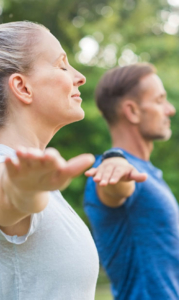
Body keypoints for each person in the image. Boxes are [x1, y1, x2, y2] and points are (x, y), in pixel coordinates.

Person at [0, 21, 103, 300]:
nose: (79, 77)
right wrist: (25, 189)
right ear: (22, 87)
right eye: (62, 65)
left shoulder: (37, 180)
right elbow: (9, 193)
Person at [84, 63, 179, 300]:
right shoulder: (111, 171)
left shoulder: (149, 173)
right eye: (159, 100)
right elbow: (116, 186)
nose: (170, 109)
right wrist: (115, 164)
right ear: (133, 111)